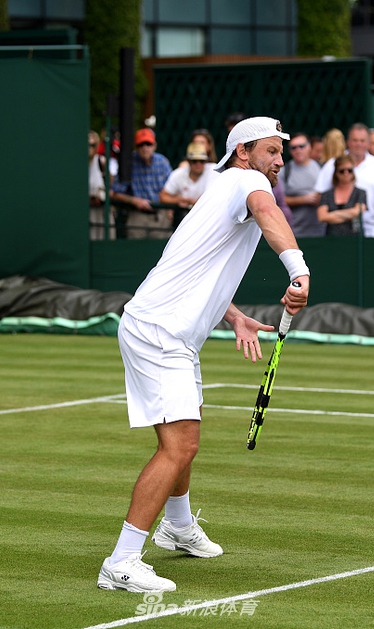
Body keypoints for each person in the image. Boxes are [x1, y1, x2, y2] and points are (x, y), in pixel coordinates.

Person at [97, 116, 310, 593]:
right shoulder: (248, 183)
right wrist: (299, 271)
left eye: (281, 152)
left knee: (184, 436)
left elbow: (196, 269)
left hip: (169, 331)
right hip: (160, 332)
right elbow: (269, 212)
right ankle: (121, 561)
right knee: (180, 445)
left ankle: (177, 526)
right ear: (243, 153)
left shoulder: (222, 190)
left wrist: (231, 315)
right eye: (271, 150)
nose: (279, 160)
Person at [314, 123, 374, 237]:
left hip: (371, 230)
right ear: (348, 142)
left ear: (368, 143)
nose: (358, 144)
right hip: (335, 231)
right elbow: (320, 198)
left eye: (362, 140)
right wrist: (342, 216)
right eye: (355, 140)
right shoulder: (332, 164)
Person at [110, 128, 173, 239]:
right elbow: (113, 193)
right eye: (141, 145)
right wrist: (134, 200)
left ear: (154, 146)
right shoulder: (129, 163)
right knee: (135, 247)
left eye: (148, 144)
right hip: (137, 214)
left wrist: (170, 209)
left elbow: (173, 189)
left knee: (163, 246)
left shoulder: (162, 162)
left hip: (160, 214)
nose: (145, 148)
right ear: (137, 147)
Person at [159, 142, 218, 230]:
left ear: (206, 161)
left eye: (202, 161)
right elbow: (163, 196)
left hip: (207, 218)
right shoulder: (179, 174)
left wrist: (191, 202)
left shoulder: (213, 170)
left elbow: (214, 198)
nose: (198, 164)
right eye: (194, 161)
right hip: (184, 219)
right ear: (189, 162)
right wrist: (178, 200)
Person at [280, 131, 323, 237]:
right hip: (295, 231)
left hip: (321, 231)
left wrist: (321, 198)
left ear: (309, 147)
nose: (298, 150)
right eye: (293, 148)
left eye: (302, 146)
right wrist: (304, 199)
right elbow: (278, 200)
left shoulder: (321, 168)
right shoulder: (284, 172)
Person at [316, 155, 364, 237]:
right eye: (342, 171)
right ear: (336, 172)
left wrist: (333, 213)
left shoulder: (360, 193)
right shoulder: (327, 194)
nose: (346, 173)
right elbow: (322, 217)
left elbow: (357, 212)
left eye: (349, 170)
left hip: (354, 237)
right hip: (331, 238)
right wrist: (349, 216)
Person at [88, 130, 117, 240]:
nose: (89, 148)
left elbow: (111, 185)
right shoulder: (77, 164)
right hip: (87, 210)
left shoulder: (101, 161)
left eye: (92, 145)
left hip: (103, 208)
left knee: (106, 237)